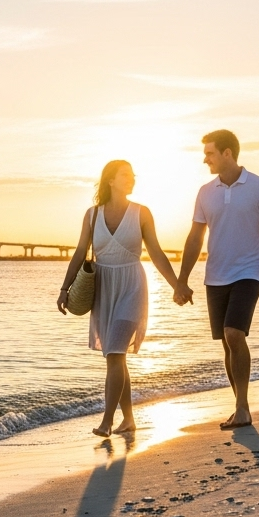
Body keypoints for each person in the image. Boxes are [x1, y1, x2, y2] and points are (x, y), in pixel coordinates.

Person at [174, 129, 259, 430]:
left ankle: (243, 409)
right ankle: (239, 406)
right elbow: (194, 238)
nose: (205, 159)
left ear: (227, 153)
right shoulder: (206, 192)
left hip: (248, 272)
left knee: (234, 333)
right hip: (215, 275)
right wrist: (182, 280)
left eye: (210, 153)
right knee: (226, 344)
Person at [57, 160, 186, 437]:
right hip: (103, 288)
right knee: (116, 357)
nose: (131, 179)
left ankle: (106, 422)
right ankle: (128, 419)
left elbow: (157, 253)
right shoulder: (92, 215)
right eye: (125, 175)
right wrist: (64, 288)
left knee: (115, 352)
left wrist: (177, 285)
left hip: (132, 287)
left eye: (132, 175)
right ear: (110, 181)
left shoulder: (141, 213)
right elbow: (80, 252)